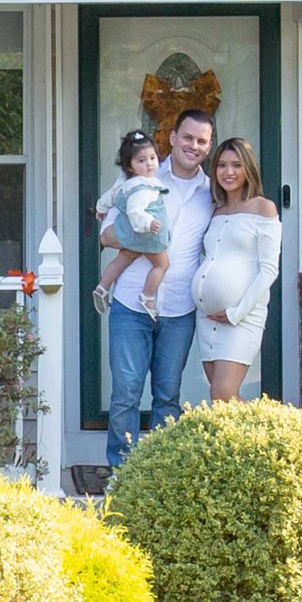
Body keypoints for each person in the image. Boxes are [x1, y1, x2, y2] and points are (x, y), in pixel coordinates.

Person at [99, 109, 214, 471]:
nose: (193, 146)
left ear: (208, 147)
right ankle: (123, 470)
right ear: (173, 137)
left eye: (202, 141)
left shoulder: (212, 193)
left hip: (178, 309)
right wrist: (143, 238)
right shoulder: (141, 175)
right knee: (126, 394)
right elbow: (106, 235)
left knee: (167, 396)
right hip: (131, 303)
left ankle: (161, 474)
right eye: (188, 137)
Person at [191, 137, 281, 401]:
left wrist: (235, 312)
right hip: (207, 319)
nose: (228, 172)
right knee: (220, 398)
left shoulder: (264, 207)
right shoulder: (217, 211)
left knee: (224, 392)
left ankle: (270, 436)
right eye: (221, 165)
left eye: (236, 165)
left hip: (241, 317)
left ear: (248, 169)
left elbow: (268, 270)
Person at [93, 130, 169, 320]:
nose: (149, 163)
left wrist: (101, 208)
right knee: (161, 264)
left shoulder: (126, 184)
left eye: (152, 158)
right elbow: (136, 212)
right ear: (130, 166)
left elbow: (110, 196)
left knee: (123, 258)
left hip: (127, 233)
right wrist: (149, 223)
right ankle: (148, 295)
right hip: (145, 234)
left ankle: (102, 287)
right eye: (141, 161)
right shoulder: (144, 188)